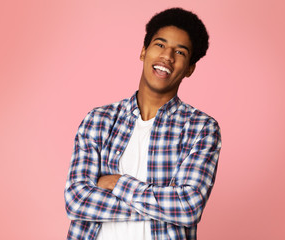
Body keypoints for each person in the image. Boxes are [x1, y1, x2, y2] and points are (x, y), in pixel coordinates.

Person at [64, 8, 222, 240]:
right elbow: (77, 201)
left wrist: (118, 183)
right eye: (160, 45)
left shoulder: (200, 128)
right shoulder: (98, 120)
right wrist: (164, 208)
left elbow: (188, 207)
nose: (167, 56)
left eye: (180, 52)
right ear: (143, 51)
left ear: (189, 68)